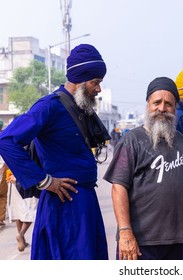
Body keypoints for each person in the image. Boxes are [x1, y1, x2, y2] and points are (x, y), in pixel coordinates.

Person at [0, 44, 109, 259]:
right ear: (79, 81)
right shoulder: (49, 107)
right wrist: (44, 181)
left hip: (85, 204)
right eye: (95, 83)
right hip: (63, 207)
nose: (98, 89)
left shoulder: (80, 108)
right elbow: (6, 141)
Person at [104, 77, 183, 260]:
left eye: (168, 104)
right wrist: (125, 231)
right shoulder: (132, 140)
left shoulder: (181, 141)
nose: (162, 108)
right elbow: (118, 187)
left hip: (176, 241)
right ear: (147, 105)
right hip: (140, 242)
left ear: (175, 108)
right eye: (156, 102)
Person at [5, 169, 38, 252]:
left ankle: (22, 239)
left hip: (12, 178)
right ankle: (21, 234)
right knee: (31, 210)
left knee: (18, 210)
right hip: (23, 180)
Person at [0, 119, 8, 229]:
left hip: (3, 168)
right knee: (2, 195)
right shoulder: (4, 136)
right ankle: (0, 218)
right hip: (3, 168)